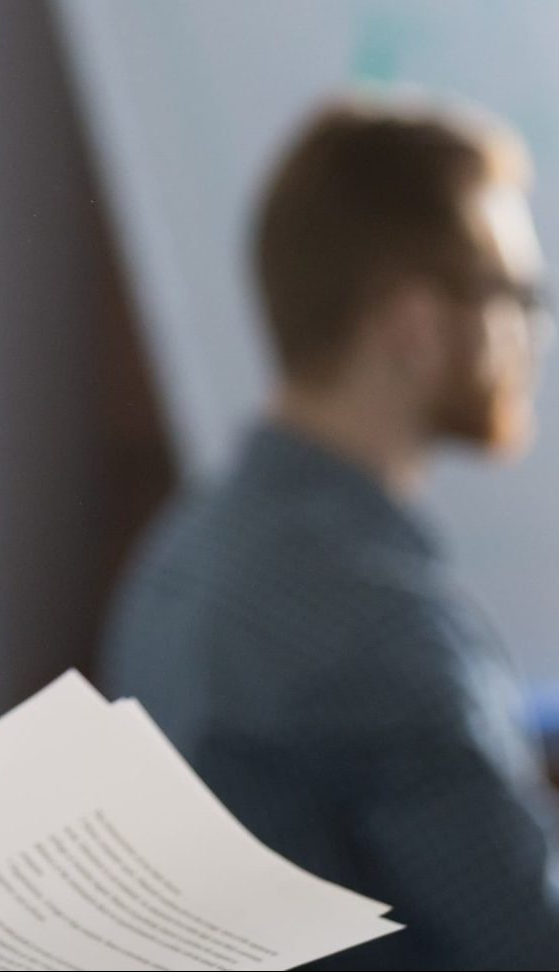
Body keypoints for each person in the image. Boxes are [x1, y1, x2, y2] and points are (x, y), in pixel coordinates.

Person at [105, 95, 559, 969]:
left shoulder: (183, 548)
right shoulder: (377, 621)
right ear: (411, 322)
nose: (535, 334)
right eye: (516, 294)